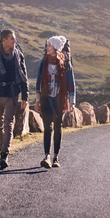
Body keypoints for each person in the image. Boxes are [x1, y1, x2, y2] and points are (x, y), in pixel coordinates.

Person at [0, 29, 28, 169]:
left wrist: (25, 97)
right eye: (12, 39)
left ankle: (4, 154)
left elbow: (23, 76)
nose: (15, 41)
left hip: (12, 94)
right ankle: (2, 152)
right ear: (4, 40)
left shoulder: (18, 55)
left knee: (8, 123)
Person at [35, 35, 75, 168]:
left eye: (50, 45)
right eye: (47, 45)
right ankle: (46, 156)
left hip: (60, 99)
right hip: (46, 98)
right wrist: (37, 100)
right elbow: (38, 82)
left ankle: (56, 157)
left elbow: (71, 83)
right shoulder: (43, 62)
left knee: (58, 128)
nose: (47, 48)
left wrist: (72, 101)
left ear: (56, 48)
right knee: (48, 128)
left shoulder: (65, 64)